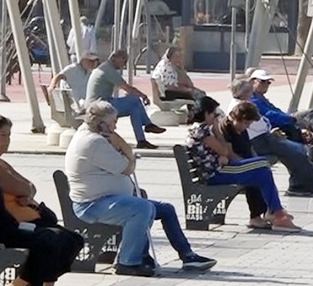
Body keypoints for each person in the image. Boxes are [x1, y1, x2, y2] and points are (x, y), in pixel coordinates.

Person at [65, 100, 216, 276]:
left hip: (108, 199)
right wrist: (124, 147)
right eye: (113, 122)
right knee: (142, 208)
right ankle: (127, 262)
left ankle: (187, 256)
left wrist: (116, 140)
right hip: (93, 205)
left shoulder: (97, 136)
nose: (116, 126)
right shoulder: (93, 142)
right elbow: (128, 167)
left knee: (165, 209)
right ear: (101, 124)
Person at [0, 116, 84, 286]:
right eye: (2, 135)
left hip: (28, 221)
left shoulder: (1, 163)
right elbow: (23, 188)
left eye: (9, 135)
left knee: (73, 239)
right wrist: (26, 192)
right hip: (13, 226)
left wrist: (27, 192)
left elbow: (30, 186)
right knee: (53, 240)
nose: (7, 140)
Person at [186, 97, 300, 231]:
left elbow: (221, 152)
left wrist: (222, 154)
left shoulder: (199, 129)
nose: (215, 117)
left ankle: (275, 212)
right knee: (262, 165)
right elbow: (224, 151)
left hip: (217, 170)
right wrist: (217, 131)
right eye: (213, 114)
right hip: (215, 173)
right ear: (206, 113)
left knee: (262, 170)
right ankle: (276, 213)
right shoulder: (202, 130)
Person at [229, 78, 313, 197]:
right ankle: (310, 184)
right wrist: (281, 125)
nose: (251, 92)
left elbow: (264, 121)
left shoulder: (245, 103)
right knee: (296, 150)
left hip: (263, 138)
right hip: (259, 141)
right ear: (244, 92)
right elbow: (260, 124)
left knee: (296, 151)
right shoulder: (243, 107)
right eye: (249, 90)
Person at [87, 49, 165, 149]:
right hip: (99, 107)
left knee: (135, 108)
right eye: (124, 61)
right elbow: (127, 88)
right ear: (116, 58)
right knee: (135, 100)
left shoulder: (105, 67)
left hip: (101, 103)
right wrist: (143, 96)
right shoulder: (108, 70)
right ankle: (148, 124)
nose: (124, 65)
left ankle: (141, 140)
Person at [248, 69, 313, 156]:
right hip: (275, 125)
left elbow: (276, 110)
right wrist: (290, 118)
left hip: (283, 119)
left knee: (309, 122)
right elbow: (269, 115)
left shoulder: (261, 98)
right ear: (253, 81)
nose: (266, 85)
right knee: (310, 114)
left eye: (268, 82)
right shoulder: (253, 99)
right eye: (262, 81)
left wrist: (289, 117)